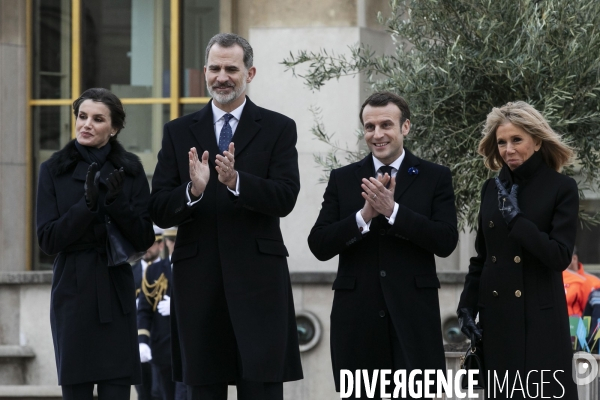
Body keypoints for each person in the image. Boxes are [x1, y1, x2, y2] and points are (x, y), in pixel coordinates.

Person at [149, 33, 302, 399]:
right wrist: (193, 191)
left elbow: (285, 197)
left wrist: (237, 182)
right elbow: (156, 207)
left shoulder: (279, 128)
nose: (222, 76)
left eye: (231, 69)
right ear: (204, 72)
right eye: (215, 68)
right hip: (198, 283)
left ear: (249, 73)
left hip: (259, 281)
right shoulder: (177, 132)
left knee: (261, 387)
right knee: (203, 387)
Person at [307, 91, 458, 397]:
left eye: (386, 125)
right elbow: (319, 244)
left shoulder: (434, 177)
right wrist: (363, 216)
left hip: (414, 320)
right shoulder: (343, 178)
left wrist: (394, 212)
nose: (377, 135)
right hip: (357, 320)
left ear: (405, 127)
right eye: (369, 127)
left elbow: (445, 241)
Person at [36, 88, 155, 400]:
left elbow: (145, 238)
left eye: (97, 119)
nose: (86, 124)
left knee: (117, 389)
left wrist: (117, 205)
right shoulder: (53, 170)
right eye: (82, 116)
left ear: (113, 128)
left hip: (115, 288)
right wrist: (85, 207)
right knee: (76, 391)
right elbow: (47, 240)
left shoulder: (130, 170)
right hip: (72, 291)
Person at [457, 101, 578, 399]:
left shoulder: (562, 188)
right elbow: (482, 258)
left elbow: (560, 256)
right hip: (498, 320)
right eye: (501, 142)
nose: (508, 150)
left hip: (540, 321)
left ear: (537, 141)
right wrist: (466, 306)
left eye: (516, 140)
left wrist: (518, 221)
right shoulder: (491, 190)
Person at [138, 227, 187, 400]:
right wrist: (143, 340)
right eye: (172, 241)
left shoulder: (192, 268)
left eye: (177, 241)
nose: (174, 245)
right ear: (166, 242)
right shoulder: (154, 270)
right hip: (162, 348)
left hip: (186, 346)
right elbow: (144, 309)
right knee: (163, 395)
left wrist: (176, 305)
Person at [134, 225, 164, 400]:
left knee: (161, 392)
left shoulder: (168, 271)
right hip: (138, 340)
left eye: (151, 244)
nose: (146, 248)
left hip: (161, 338)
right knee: (143, 393)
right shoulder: (131, 273)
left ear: (160, 245)